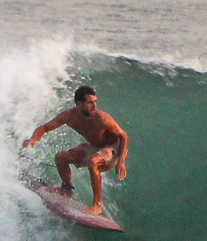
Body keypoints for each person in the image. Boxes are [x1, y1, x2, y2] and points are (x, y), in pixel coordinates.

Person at [22, 86, 129, 216]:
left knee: (93, 161)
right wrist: (33, 139)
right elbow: (44, 128)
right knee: (60, 158)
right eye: (90, 103)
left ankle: (97, 205)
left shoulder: (103, 118)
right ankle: (66, 189)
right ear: (79, 104)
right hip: (95, 146)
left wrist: (121, 161)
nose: (94, 106)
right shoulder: (69, 116)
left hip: (114, 148)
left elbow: (123, 136)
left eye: (95, 102)